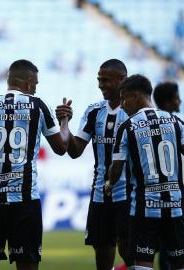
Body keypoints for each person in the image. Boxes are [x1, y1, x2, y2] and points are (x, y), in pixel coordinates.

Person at [0, 59, 71, 270]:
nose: (35, 88)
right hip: (25, 200)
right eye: (35, 83)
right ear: (29, 82)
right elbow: (62, 147)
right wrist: (64, 120)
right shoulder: (38, 105)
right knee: (26, 263)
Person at [105, 74, 184, 270]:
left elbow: (117, 168)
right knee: (180, 263)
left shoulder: (127, 127)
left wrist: (109, 183)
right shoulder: (175, 121)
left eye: (123, 99)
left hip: (144, 208)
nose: (121, 105)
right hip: (174, 205)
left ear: (135, 96)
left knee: (143, 263)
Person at [56, 59, 132, 270]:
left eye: (105, 80)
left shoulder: (134, 113)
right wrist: (65, 123)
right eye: (99, 80)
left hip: (129, 192)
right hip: (100, 192)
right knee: (103, 250)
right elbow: (74, 151)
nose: (101, 84)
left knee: (129, 250)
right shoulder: (94, 111)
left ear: (121, 79)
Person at [153, 81, 182, 270]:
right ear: (169, 101)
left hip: (149, 199)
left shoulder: (144, 125)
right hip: (172, 196)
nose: (180, 100)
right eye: (177, 97)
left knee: (148, 250)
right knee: (172, 252)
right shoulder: (176, 124)